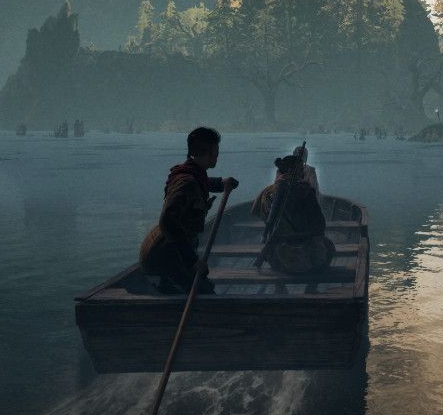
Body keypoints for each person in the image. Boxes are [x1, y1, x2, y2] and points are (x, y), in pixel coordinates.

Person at [139, 126, 239, 294]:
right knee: (205, 291)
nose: (217, 155)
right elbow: (168, 223)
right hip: (164, 257)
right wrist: (193, 260)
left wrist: (221, 183)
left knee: (203, 286)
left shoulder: (192, 174)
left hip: (172, 252)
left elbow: (202, 182)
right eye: (216, 151)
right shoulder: (187, 182)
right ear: (208, 153)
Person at [253, 144, 334, 275]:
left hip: (279, 255)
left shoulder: (268, 192)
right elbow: (319, 225)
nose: (303, 171)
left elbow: (265, 217)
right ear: (296, 170)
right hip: (301, 249)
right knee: (327, 247)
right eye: (301, 168)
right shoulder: (306, 191)